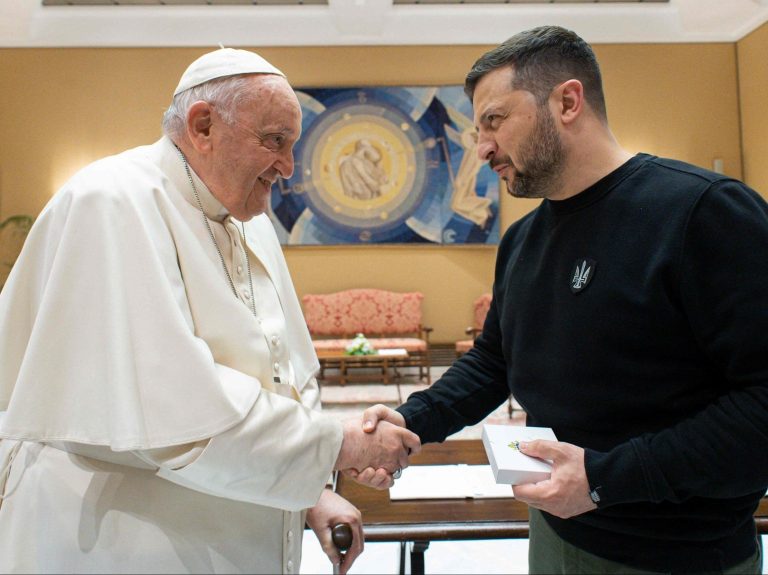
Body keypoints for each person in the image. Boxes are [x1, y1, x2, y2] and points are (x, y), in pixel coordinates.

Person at [355, 25, 768, 574]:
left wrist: (603, 480)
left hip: (680, 553)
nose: (481, 149)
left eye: (495, 121)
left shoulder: (704, 213)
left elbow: (761, 402)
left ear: (567, 102)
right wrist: (412, 419)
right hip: (554, 535)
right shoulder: (523, 240)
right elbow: (494, 361)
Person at [0, 48, 421, 574]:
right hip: (125, 538)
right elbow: (173, 414)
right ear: (203, 126)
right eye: (274, 141)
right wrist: (338, 444)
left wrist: (311, 490)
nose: (289, 167)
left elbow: (281, 372)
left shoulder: (251, 221)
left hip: (232, 526)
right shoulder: (113, 200)